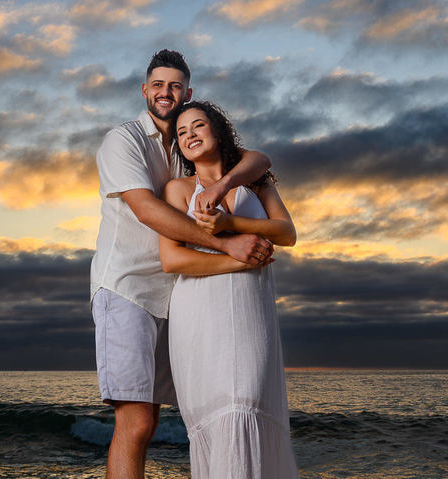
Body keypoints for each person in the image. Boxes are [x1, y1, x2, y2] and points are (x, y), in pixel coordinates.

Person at [91, 50, 275, 479]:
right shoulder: (124, 140)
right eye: (158, 84)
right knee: (135, 422)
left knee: (162, 420)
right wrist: (228, 245)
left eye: (175, 86)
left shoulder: (187, 143)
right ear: (145, 90)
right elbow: (147, 211)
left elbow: (259, 160)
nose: (165, 92)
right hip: (128, 289)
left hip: (176, 295)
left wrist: (228, 182)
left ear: (187, 92)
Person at [160, 100, 299, 479]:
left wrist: (229, 220)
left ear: (217, 131)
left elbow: (287, 233)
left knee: (249, 400)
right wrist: (238, 258)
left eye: (198, 126)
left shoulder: (253, 179)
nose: (189, 135)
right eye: (182, 132)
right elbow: (172, 260)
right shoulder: (177, 190)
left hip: (252, 310)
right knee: (222, 413)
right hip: (199, 313)